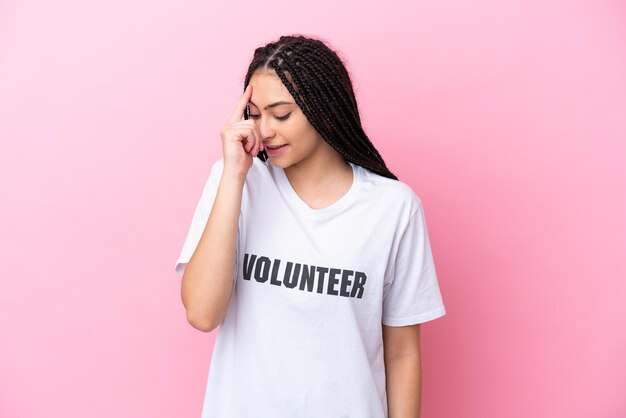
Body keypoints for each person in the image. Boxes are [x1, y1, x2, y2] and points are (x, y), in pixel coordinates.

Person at [174, 34, 446, 418]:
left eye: (281, 114)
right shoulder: (235, 182)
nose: (264, 130)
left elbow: (402, 353)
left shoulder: (393, 208)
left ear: (325, 109)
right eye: (254, 113)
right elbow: (202, 314)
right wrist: (235, 177)